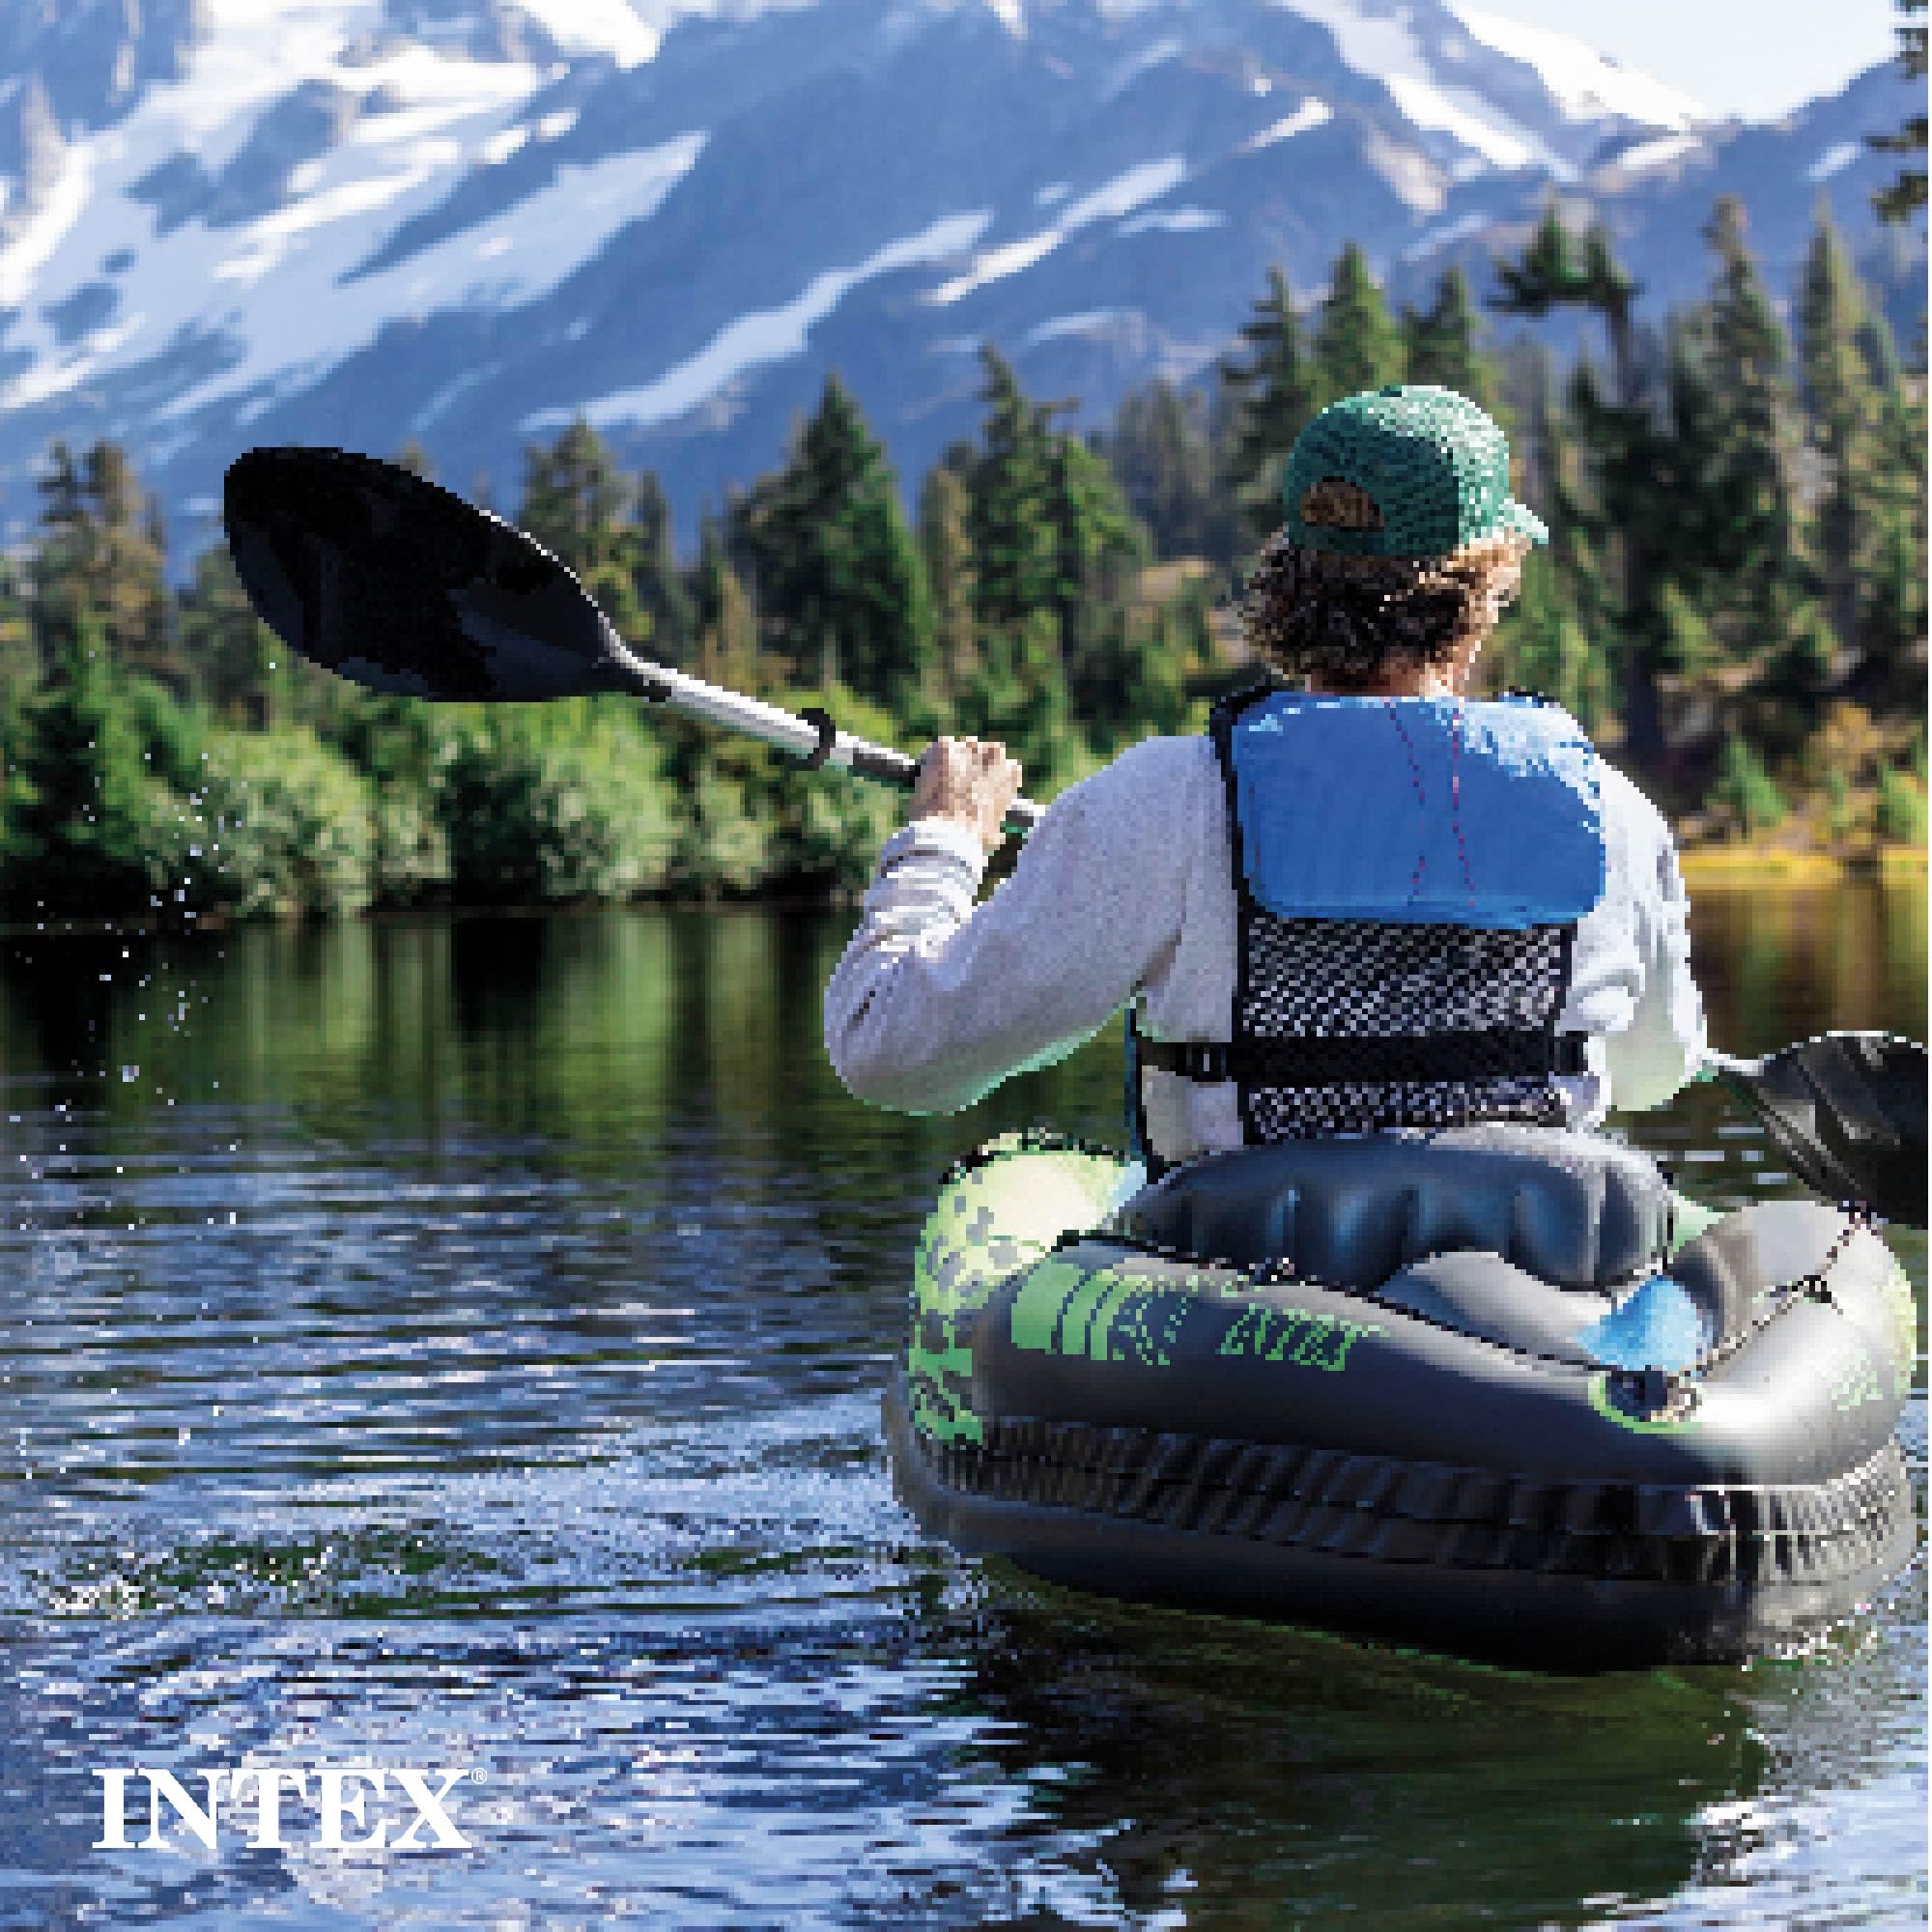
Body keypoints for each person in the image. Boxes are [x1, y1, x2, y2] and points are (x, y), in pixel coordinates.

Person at [824, 384, 1704, 1174]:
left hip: (1251, 1284)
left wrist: (941, 844)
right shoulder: (1611, 814)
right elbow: (1654, 1071)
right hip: (1530, 1293)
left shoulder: (1164, 801)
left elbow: (889, 1048)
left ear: (1288, 583)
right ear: (1480, 600)